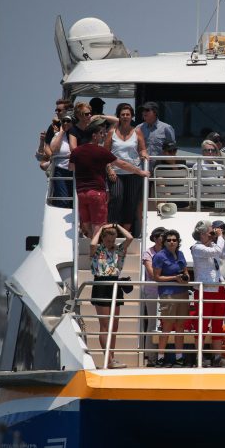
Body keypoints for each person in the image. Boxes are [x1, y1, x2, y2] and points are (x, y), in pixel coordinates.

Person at [69, 121, 150, 237]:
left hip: (81, 192)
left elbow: (71, 167)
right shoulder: (101, 151)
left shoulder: (76, 151)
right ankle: (96, 249)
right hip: (96, 192)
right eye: (101, 133)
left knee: (86, 222)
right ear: (94, 135)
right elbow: (122, 164)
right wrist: (140, 171)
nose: (103, 135)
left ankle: (92, 244)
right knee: (98, 223)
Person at [190, 220, 225, 367]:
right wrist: (218, 237)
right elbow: (217, 252)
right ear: (202, 234)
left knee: (218, 324)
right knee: (202, 324)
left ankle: (217, 357)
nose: (212, 234)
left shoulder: (214, 245)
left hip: (218, 288)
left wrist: (223, 236)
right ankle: (199, 356)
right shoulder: (197, 248)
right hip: (204, 290)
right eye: (210, 232)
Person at [89, 223, 133, 369]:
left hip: (115, 284)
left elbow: (129, 237)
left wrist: (116, 226)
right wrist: (100, 228)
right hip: (101, 284)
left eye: (113, 240)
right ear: (103, 239)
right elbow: (92, 243)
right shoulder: (98, 250)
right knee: (105, 326)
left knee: (114, 327)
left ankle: (111, 359)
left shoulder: (119, 250)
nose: (111, 243)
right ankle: (108, 360)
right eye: (108, 240)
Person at [106, 103, 148, 234]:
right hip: (116, 172)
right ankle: (112, 231)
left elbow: (142, 149)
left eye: (128, 114)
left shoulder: (137, 132)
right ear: (118, 116)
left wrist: (144, 154)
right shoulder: (112, 132)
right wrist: (109, 169)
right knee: (116, 198)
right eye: (123, 114)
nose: (125, 117)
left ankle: (125, 233)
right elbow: (105, 153)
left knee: (131, 203)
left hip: (134, 172)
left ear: (132, 116)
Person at [152, 229, 190, 367]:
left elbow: (185, 271)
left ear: (178, 242)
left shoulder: (180, 254)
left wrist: (186, 277)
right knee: (167, 325)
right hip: (168, 293)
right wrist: (175, 278)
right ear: (164, 242)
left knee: (180, 326)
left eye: (174, 240)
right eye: (169, 240)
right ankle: (160, 358)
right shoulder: (159, 256)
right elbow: (157, 277)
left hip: (183, 293)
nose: (172, 242)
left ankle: (179, 357)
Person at [142, 226, 166, 366]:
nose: (163, 240)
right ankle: (151, 357)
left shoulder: (168, 252)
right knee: (152, 324)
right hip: (152, 293)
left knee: (165, 325)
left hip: (166, 292)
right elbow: (152, 274)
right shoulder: (148, 253)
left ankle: (162, 357)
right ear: (155, 239)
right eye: (161, 237)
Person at [48, 110, 74, 207]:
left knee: (74, 201)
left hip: (74, 171)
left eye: (68, 121)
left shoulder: (76, 135)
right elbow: (54, 149)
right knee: (63, 200)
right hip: (60, 170)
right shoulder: (57, 135)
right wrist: (62, 131)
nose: (66, 123)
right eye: (63, 121)